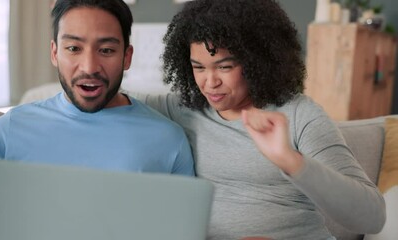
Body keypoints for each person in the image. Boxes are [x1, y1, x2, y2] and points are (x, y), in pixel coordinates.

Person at [126, 0, 386, 239]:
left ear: (257, 61)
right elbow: (115, 96)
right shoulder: (182, 108)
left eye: (225, 67)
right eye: (199, 67)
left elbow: (372, 218)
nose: (210, 82)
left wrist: (290, 161)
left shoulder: (299, 114)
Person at [0, 0, 194, 176]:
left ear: (127, 57)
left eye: (106, 50)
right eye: (74, 48)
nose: (89, 67)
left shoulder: (168, 139)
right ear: (55, 53)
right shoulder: (7, 131)